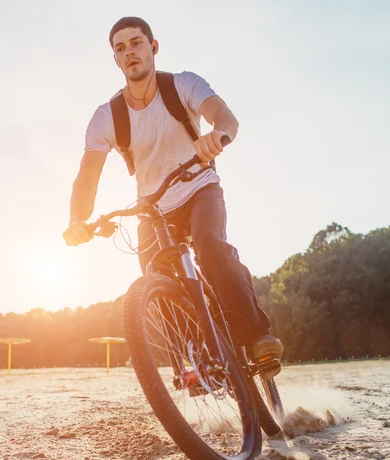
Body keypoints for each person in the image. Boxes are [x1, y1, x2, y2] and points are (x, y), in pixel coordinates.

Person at [63, 16, 283, 375]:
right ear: (115, 59)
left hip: (199, 187)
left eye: (136, 43)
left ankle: (257, 336)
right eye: (120, 48)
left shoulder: (182, 85)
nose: (129, 52)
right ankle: (195, 358)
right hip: (153, 207)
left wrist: (218, 135)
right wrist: (77, 221)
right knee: (154, 275)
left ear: (154, 47)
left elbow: (225, 118)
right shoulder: (107, 116)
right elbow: (87, 179)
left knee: (210, 245)